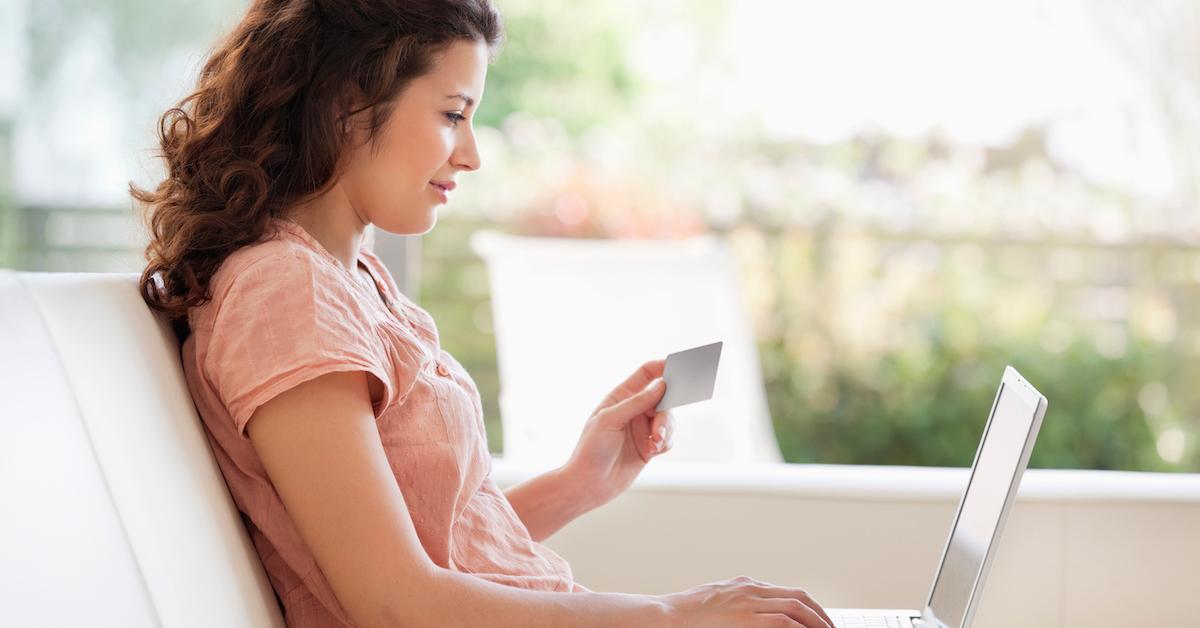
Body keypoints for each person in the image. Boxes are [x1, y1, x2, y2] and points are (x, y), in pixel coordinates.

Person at [133, 1, 833, 626]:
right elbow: (395, 603)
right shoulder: (287, 291)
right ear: (349, 102)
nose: (470, 153)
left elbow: (430, 550)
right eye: (452, 114)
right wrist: (673, 618)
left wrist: (575, 485)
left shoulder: (350, 276)